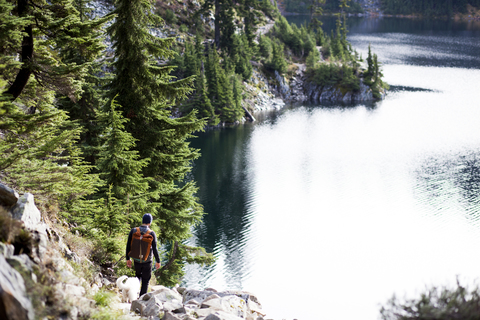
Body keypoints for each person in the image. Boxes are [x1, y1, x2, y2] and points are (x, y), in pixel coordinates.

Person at [126, 213, 161, 296]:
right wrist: (158, 261)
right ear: (150, 222)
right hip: (147, 261)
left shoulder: (134, 230)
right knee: (145, 281)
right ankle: (141, 298)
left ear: (142, 221)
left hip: (136, 260)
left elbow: (128, 245)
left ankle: (133, 295)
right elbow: (155, 249)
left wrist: (128, 258)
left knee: (137, 278)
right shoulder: (151, 233)